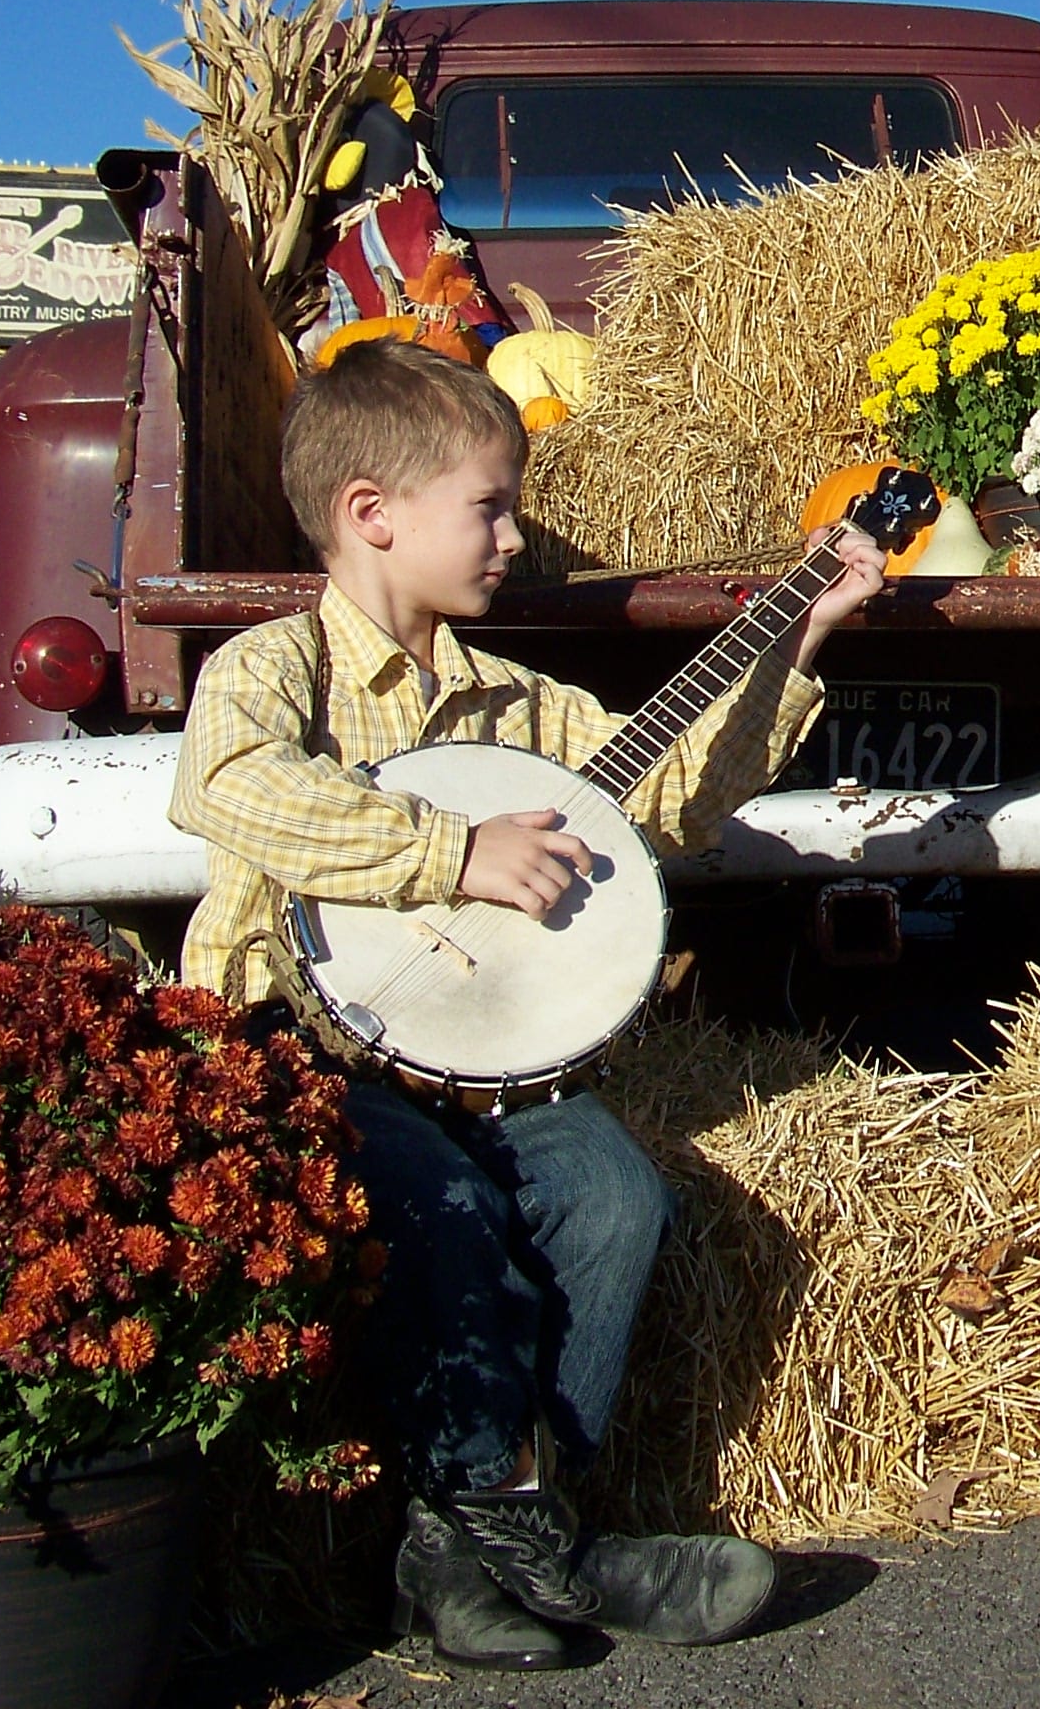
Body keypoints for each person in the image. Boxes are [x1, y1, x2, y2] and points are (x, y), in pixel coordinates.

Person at [170, 339, 885, 1671]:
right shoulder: (274, 671)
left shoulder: (527, 706)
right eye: (487, 507)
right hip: (299, 1054)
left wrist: (804, 640)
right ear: (370, 515)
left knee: (613, 1192)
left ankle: (463, 1558)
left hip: (482, 1069)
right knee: (444, 1215)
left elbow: (663, 811)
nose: (513, 536)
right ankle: (551, 1552)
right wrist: (451, 852)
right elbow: (231, 791)